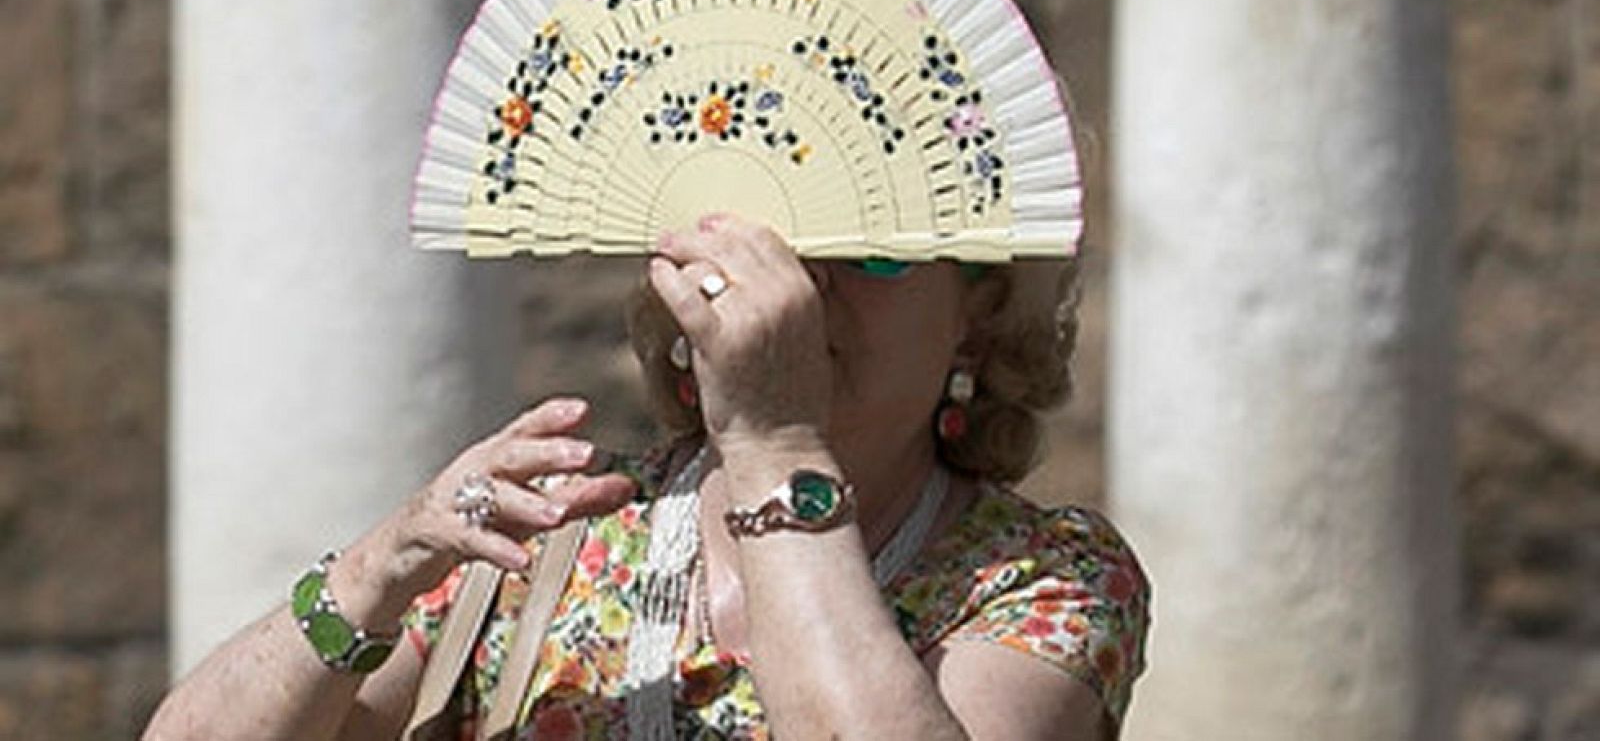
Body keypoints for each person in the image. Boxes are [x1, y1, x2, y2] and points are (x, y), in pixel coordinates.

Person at [144, 213, 1150, 740]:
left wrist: (773, 446)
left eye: (872, 253)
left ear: (980, 305)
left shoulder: (1043, 579)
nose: (799, 290)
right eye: (757, 244)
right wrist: (380, 565)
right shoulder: (551, 532)